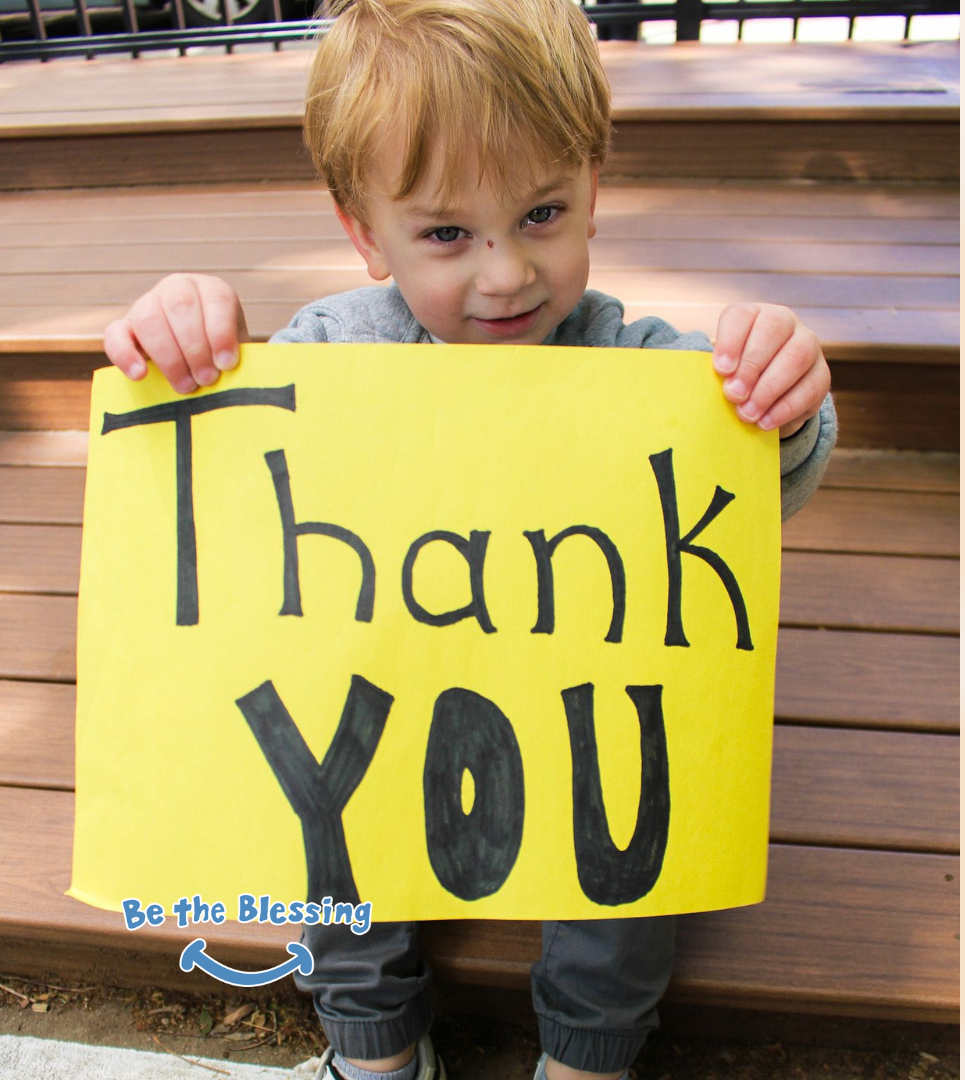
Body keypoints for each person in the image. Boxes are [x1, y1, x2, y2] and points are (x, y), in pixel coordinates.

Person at [99, 0, 835, 1074]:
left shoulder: (641, 368)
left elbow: (757, 495)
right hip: (389, 710)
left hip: (575, 719)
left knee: (637, 834)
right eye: (447, 234)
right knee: (326, 828)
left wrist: (779, 404)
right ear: (365, 234)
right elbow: (236, 496)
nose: (504, 274)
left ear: (593, 193)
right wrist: (185, 352)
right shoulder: (330, 356)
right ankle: (375, 1046)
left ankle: (588, 1051)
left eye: (541, 214)